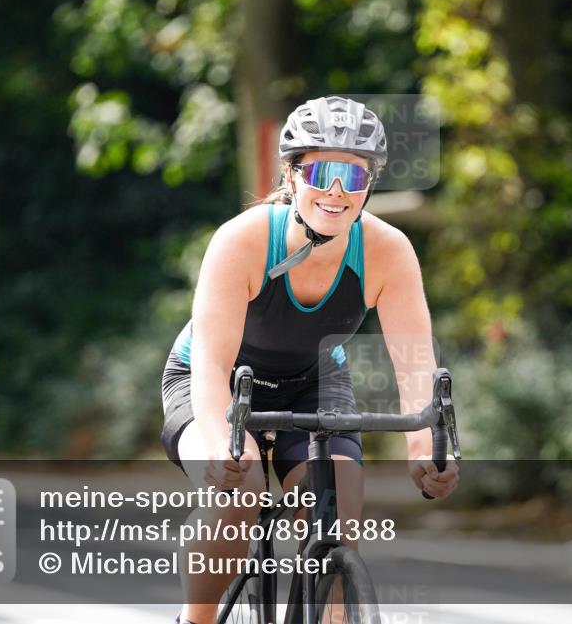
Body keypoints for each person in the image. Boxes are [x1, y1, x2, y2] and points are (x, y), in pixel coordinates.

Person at [160, 95, 459, 624]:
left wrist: (423, 447)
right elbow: (210, 366)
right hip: (217, 379)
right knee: (240, 486)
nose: (337, 192)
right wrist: (215, 441)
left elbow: (414, 362)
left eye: (356, 176)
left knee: (338, 520)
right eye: (322, 171)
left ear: (370, 185)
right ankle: (197, 618)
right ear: (292, 176)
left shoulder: (389, 251)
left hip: (314, 380)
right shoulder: (243, 240)